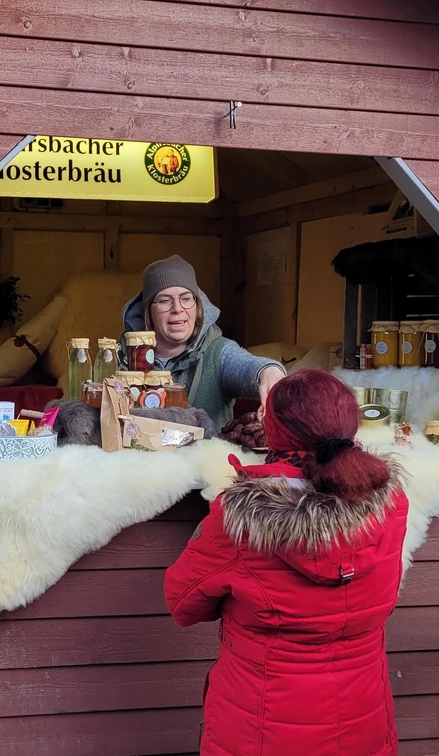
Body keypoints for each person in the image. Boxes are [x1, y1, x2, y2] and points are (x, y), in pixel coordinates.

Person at [164, 369, 409, 756]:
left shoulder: (238, 519)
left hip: (260, 728)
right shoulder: (390, 504)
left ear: (277, 431)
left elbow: (182, 602)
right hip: (364, 719)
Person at [120, 255, 285, 428]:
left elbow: (247, 366)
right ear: (149, 312)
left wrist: (269, 373)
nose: (177, 309)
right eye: (164, 300)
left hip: (207, 455)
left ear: (198, 306)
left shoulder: (218, 352)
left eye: (186, 298)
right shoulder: (124, 359)